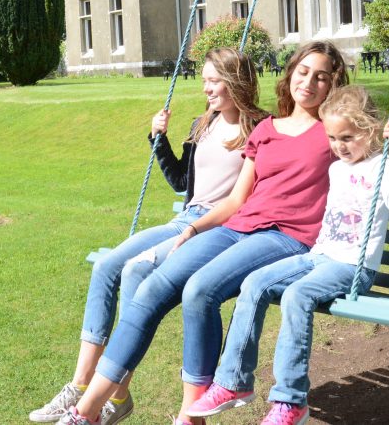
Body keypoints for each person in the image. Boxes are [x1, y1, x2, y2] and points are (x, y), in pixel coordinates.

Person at [57, 41, 351, 425]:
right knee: (152, 287)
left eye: (321, 77)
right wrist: (193, 227)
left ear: (333, 85)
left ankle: (188, 418)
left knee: (199, 290)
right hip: (236, 226)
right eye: (303, 71)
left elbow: (371, 155)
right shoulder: (265, 129)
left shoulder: (332, 130)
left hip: (285, 237)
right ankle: (87, 412)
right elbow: (235, 200)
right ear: (290, 73)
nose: (309, 82)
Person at [186, 86, 389, 425]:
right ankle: (234, 381)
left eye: (347, 137)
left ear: (370, 130)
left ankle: (290, 400)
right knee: (254, 282)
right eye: (332, 138)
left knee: (298, 295)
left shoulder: (382, 163)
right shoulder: (338, 168)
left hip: (352, 267)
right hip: (320, 256)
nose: (339, 146)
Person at [30, 48, 267, 424]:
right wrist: (159, 140)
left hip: (219, 230)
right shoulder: (202, 123)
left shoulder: (261, 128)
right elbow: (181, 181)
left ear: (235, 79)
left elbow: (252, 198)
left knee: (135, 271)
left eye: (213, 80)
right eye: (203, 80)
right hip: (187, 217)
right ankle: (81, 385)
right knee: (107, 266)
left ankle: (116, 397)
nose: (206, 88)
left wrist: (197, 228)